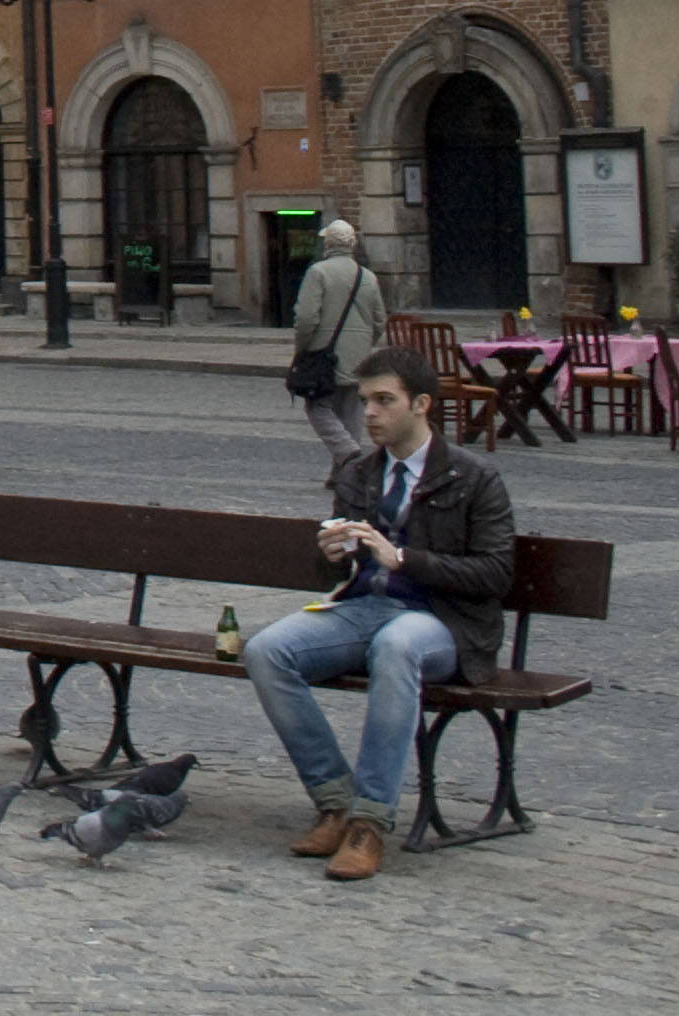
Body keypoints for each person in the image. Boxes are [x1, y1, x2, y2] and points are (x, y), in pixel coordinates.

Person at [242, 345, 515, 882]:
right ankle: (335, 801)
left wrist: (407, 558)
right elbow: (335, 574)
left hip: (445, 622)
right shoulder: (359, 473)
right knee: (266, 650)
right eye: (365, 400)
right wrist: (329, 556)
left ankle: (370, 821)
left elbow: (495, 574)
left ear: (421, 405)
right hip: (366, 604)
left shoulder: (473, 477)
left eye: (384, 401)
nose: (369, 413)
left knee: (396, 646)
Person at [286, 219, 387, 467]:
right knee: (350, 411)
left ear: (327, 243)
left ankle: (349, 455)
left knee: (317, 407)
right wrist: (365, 343)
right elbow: (379, 320)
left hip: (324, 353)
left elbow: (307, 318)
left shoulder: (318, 272)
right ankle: (345, 474)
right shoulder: (367, 276)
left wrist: (302, 346)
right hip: (359, 355)